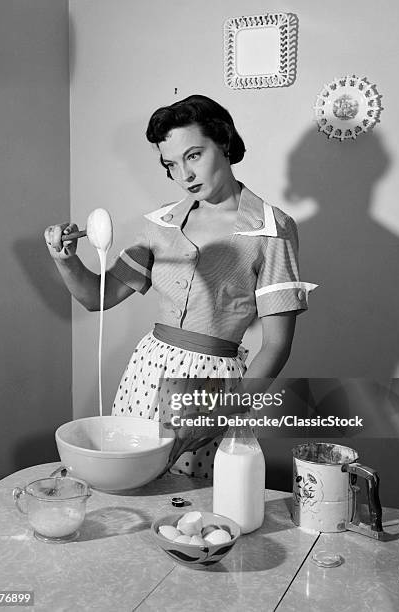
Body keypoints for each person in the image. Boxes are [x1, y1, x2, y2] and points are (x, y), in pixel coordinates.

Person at [44, 94, 317, 477]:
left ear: (223, 142)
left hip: (211, 386)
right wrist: (66, 258)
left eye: (193, 155)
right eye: (171, 164)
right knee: (130, 482)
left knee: (191, 503)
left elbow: (276, 345)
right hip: (145, 371)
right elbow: (96, 297)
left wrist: (220, 414)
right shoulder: (161, 224)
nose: (184, 175)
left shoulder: (271, 230)